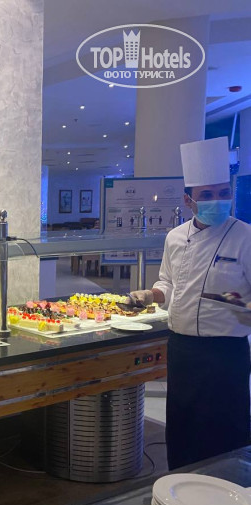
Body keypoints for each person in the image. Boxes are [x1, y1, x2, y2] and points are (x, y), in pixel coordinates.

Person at [131, 136, 251, 470]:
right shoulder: (175, 237)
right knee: (182, 426)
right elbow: (168, 283)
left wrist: (244, 305)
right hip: (182, 348)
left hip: (225, 353)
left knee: (224, 432)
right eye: (207, 195)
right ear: (188, 200)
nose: (217, 201)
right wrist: (150, 295)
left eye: (223, 192)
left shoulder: (245, 236)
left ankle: (227, 490)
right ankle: (180, 485)